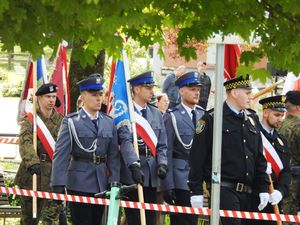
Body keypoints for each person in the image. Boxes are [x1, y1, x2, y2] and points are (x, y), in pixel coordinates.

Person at [188, 75, 270, 225]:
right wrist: (196, 190)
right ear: (234, 93)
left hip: (248, 191)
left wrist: (263, 187)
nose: (251, 96)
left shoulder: (252, 119)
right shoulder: (212, 119)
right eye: (247, 92)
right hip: (224, 190)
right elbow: (197, 157)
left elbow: (258, 157)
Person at [51, 74, 120, 225]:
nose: (98, 98)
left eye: (100, 94)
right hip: (79, 181)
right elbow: (61, 155)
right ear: (82, 96)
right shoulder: (71, 122)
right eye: (94, 95)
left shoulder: (108, 122)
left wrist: (114, 181)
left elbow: (113, 156)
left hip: (101, 182)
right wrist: (58, 183)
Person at [121, 71, 168, 225]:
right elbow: (125, 141)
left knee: (150, 219)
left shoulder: (156, 114)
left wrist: (162, 163)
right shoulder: (126, 113)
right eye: (147, 88)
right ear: (136, 89)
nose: (151, 91)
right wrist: (133, 165)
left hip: (152, 174)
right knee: (134, 219)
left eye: (152, 87)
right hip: (132, 173)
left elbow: (162, 144)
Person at [14, 83, 64, 225]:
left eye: (54, 97)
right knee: (29, 220)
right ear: (39, 98)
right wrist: (32, 162)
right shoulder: (30, 120)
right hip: (32, 175)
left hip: (53, 177)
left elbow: (65, 147)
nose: (51, 100)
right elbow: (25, 142)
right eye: (48, 97)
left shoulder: (61, 121)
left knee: (51, 220)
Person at [161, 71, 205, 225]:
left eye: (198, 89)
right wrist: (168, 185)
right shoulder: (172, 116)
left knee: (195, 220)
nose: (197, 92)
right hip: (181, 180)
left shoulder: (203, 115)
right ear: (181, 91)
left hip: (199, 181)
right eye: (192, 89)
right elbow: (166, 151)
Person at [246, 95, 291, 225]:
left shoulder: (281, 140)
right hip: (255, 196)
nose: (280, 119)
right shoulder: (253, 134)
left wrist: (280, 191)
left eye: (282, 115)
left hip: (275, 198)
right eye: (277, 115)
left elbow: (286, 171)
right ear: (265, 113)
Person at [278, 90, 300, 222]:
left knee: (285, 218)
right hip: (296, 181)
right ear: (298, 107)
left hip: (281, 180)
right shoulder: (298, 127)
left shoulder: (278, 125)